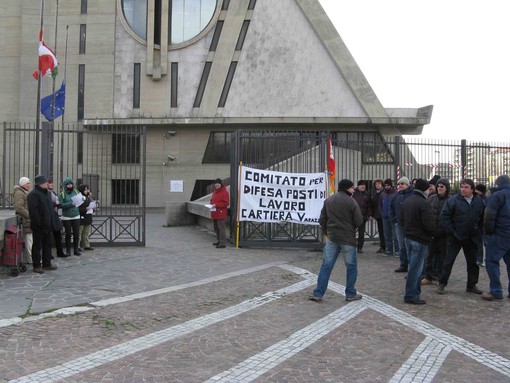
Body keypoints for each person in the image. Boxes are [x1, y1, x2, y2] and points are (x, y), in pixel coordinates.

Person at [309, 179, 363, 302]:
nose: (353, 190)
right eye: (351, 188)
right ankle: (350, 293)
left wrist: (328, 232)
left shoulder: (329, 200)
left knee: (326, 266)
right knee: (351, 266)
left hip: (332, 238)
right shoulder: (351, 201)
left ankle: (318, 293)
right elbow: (359, 220)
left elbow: (322, 220)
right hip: (347, 239)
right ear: (347, 189)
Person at [437, 179, 485, 295]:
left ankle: (471, 284)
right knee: (448, 261)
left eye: (466, 187)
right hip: (456, 237)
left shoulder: (479, 201)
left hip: (472, 236)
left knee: (473, 262)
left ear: (472, 189)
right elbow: (444, 217)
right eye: (462, 187)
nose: (463, 189)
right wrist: (452, 232)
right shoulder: (453, 200)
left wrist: (479, 232)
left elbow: (482, 219)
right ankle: (442, 283)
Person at [400, 178, 436, 304]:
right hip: (419, 239)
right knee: (416, 269)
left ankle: (413, 293)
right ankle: (411, 295)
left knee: (413, 267)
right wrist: (432, 233)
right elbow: (429, 223)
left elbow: (401, 220)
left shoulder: (407, 200)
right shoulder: (424, 202)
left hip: (408, 237)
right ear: (425, 189)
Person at [481, 175, 510, 301]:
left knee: (491, 261)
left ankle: (496, 291)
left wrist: (489, 232)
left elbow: (489, 215)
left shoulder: (497, 195)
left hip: (500, 233)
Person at [422, 178, 450, 284]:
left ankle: (441, 276)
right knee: (430, 255)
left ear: (446, 188)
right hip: (432, 232)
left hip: (444, 233)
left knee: (443, 256)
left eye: (442, 186)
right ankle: (428, 276)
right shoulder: (432, 198)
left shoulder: (450, 200)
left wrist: (445, 229)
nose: (439, 188)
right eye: (438, 186)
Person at [27, 175, 57, 273]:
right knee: (37, 245)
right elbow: (33, 210)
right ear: (40, 184)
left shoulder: (47, 194)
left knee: (47, 244)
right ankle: (36, 265)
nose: (47, 184)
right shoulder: (33, 194)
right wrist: (39, 222)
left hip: (47, 225)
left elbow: (49, 209)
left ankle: (46, 264)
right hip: (39, 225)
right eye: (45, 183)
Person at [390, 176, 414, 272]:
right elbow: (391, 208)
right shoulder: (396, 195)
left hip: (409, 224)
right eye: (399, 184)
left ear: (407, 185)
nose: (400, 185)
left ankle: (411, 266)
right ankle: (403, 264)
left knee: (410, 246)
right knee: (401, 246)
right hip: (399, 224)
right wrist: (394, 219)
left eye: (402, 184)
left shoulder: (412, 194)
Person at [59, 177, 83, 256]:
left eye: (71, 184)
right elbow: (61, 205)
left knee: (76, 233)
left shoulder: (76, 191)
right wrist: (71, 204)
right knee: (68, 234)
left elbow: (82, 199)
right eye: (68, 184)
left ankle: (76, 249)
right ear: (65, 185)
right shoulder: (62, 194)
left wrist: (83, 198)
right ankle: (68, 250)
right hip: (66, 217)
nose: (70, 185)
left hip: (76, 215)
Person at [12, 177, 33, 264]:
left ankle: (29, 258)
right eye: (28, 183)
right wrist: (30, 215)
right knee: (29, 241)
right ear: (23, 184)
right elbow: (19, 207)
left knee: (29, 240)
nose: (29, 185)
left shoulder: (23, 192)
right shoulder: (19, 193)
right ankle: (30, 259)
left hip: (27, 220)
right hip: (25, 220)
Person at [352, 180, 373, 253]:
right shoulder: (353, 192)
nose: (363, 186)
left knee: (361, 233)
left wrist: (370, 214)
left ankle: (359, 248)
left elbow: (369, 205)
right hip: (353, 216)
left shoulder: (367, 194)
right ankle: (352, 246)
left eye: (364, 185)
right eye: (361, 185)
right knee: (351, 232)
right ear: (358, 186)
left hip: (363, 217)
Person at [47, 179, 66, 258]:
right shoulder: (45, 193)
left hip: (55, 215)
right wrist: (55, 203)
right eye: (50, 183)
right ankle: (49, 254)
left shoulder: (52, 192)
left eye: (52, 183)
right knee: (49, 237)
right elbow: (46, 205)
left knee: (58, 235)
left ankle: (60, 252)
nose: (52, 185)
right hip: (49, 216)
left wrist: (58, 204)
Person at [379, 178, 398, 256]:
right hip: (385, 217)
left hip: (393, 217)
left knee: (395, 235)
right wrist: (381, 213)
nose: (386, 187)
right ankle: (389, 250)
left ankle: (397, 251)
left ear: (391, 185)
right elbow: (380, 204)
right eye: (385, 185)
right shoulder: (382, 194)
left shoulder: (395, 193)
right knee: (387, 234)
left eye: (388, 185)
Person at [210, 178, 230, 248]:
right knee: (216, 228)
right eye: (216, 183)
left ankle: (222, 243)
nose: (217, 184)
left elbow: (226, 203)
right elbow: (212, 200)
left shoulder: (224, 192)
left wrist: (216, 205)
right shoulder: (214, 192)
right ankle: (219, 240)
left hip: (221, 213)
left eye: (218, 183)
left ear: (221, 184)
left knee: (221, 229)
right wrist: (211, 204)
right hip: (214, 212)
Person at [474, 183, 488, 267]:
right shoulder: (481, 199)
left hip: (483, 224)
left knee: (483, 243)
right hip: (480, 224)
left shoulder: (484, 200)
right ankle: (480, 259)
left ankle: (483, 259)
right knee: (480, 243)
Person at [78, 184, 95, 250]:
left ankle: (86, 245)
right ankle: (77, 246)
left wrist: (93, 208)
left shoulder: (88, 197)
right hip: (81, 217)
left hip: (88, 217)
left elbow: (90, 204)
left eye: (87, 189)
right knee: (79, 232)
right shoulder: (79, 197)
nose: (87, 191)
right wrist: (86, 209)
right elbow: (78, 208)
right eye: (85, 190)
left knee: (86, 232)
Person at [371, 179, 386, 254]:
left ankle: (387, 246)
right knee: (381, 232)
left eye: (379, 184)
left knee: (386, 231)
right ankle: (383, 246)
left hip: (384, 215)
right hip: (378, 215)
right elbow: (373, 204)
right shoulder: (374, 193)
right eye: (376, 184)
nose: (377, 185)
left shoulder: (384, 192)